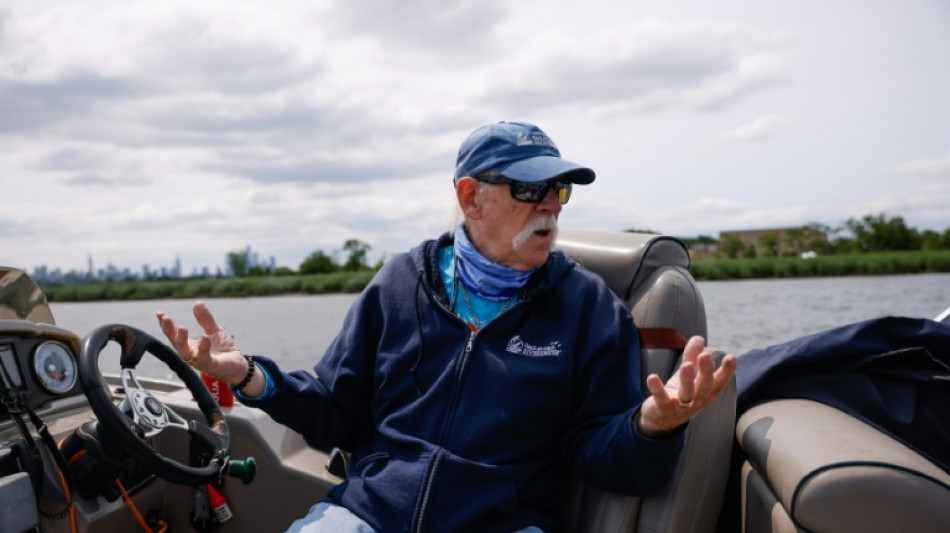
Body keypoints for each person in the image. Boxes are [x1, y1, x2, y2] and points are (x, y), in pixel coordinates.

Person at [157, 121, 737, 533]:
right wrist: (255, 376)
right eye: (531, 189)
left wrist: (654, 425)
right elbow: (336, 408)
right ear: (470, 197)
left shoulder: (587, 307)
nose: (552, 207)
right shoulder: (399, 284)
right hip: (370, 516)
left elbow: (601, 454)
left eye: (559, 190)